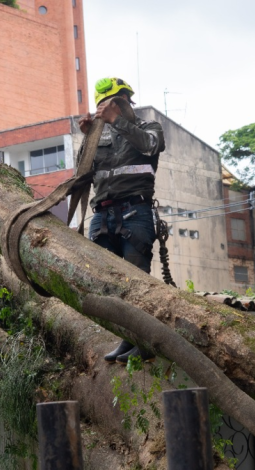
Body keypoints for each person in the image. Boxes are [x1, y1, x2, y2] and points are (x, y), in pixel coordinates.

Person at [79, 77, 166, 365]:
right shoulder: (100, 135)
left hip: (135, 213)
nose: (111, 108)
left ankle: (146, 342)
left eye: (116, 102)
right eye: (105, 105)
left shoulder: (148, 128)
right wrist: (88, 137)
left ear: (129, 101)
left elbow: (151, 147)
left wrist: (117, 121)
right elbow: (84, 173)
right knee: (108, 282)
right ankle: (128, 338)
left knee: (136, 280)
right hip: (103, 215)